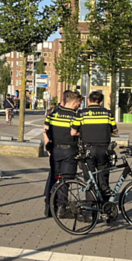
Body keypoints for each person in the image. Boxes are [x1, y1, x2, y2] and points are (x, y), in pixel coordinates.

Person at [71, 90, 118, 214]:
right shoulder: (108, 113)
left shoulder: (81, 113)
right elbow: (115, 131)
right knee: (103, 179)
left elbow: (73, 132)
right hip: (104, 150)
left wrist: (85, 133)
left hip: (88, 151)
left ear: (88, 100)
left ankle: (91, 211)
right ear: (101, 102)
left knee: (89, 180)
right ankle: (106, 209)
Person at [43, 90, 83, 218]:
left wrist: (48, 147)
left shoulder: (52, 114)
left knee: (54, 178)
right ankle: (61, 208)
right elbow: (75, 132)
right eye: (78, 104)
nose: (79, 106)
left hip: (55, 150)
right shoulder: (75, 116)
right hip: (69, 151)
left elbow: (45, 130)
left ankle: (48, 207)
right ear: (74, 103)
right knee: (66, 180)